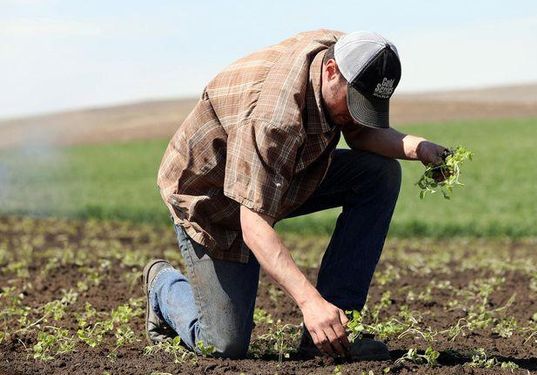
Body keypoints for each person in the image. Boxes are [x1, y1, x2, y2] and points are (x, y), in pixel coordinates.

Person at [143, 29, 449, 361]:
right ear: (331, 72)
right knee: (223, 344)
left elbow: (360, 134)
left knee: (380, 174)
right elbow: (253, 223)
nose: (357, 113)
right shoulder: (275, 118)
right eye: (355, 102)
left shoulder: (352, 56)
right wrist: (309, 303)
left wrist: (419, 148)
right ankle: (163, 286)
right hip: (213, 200)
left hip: (282, 173)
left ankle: (334, 330)